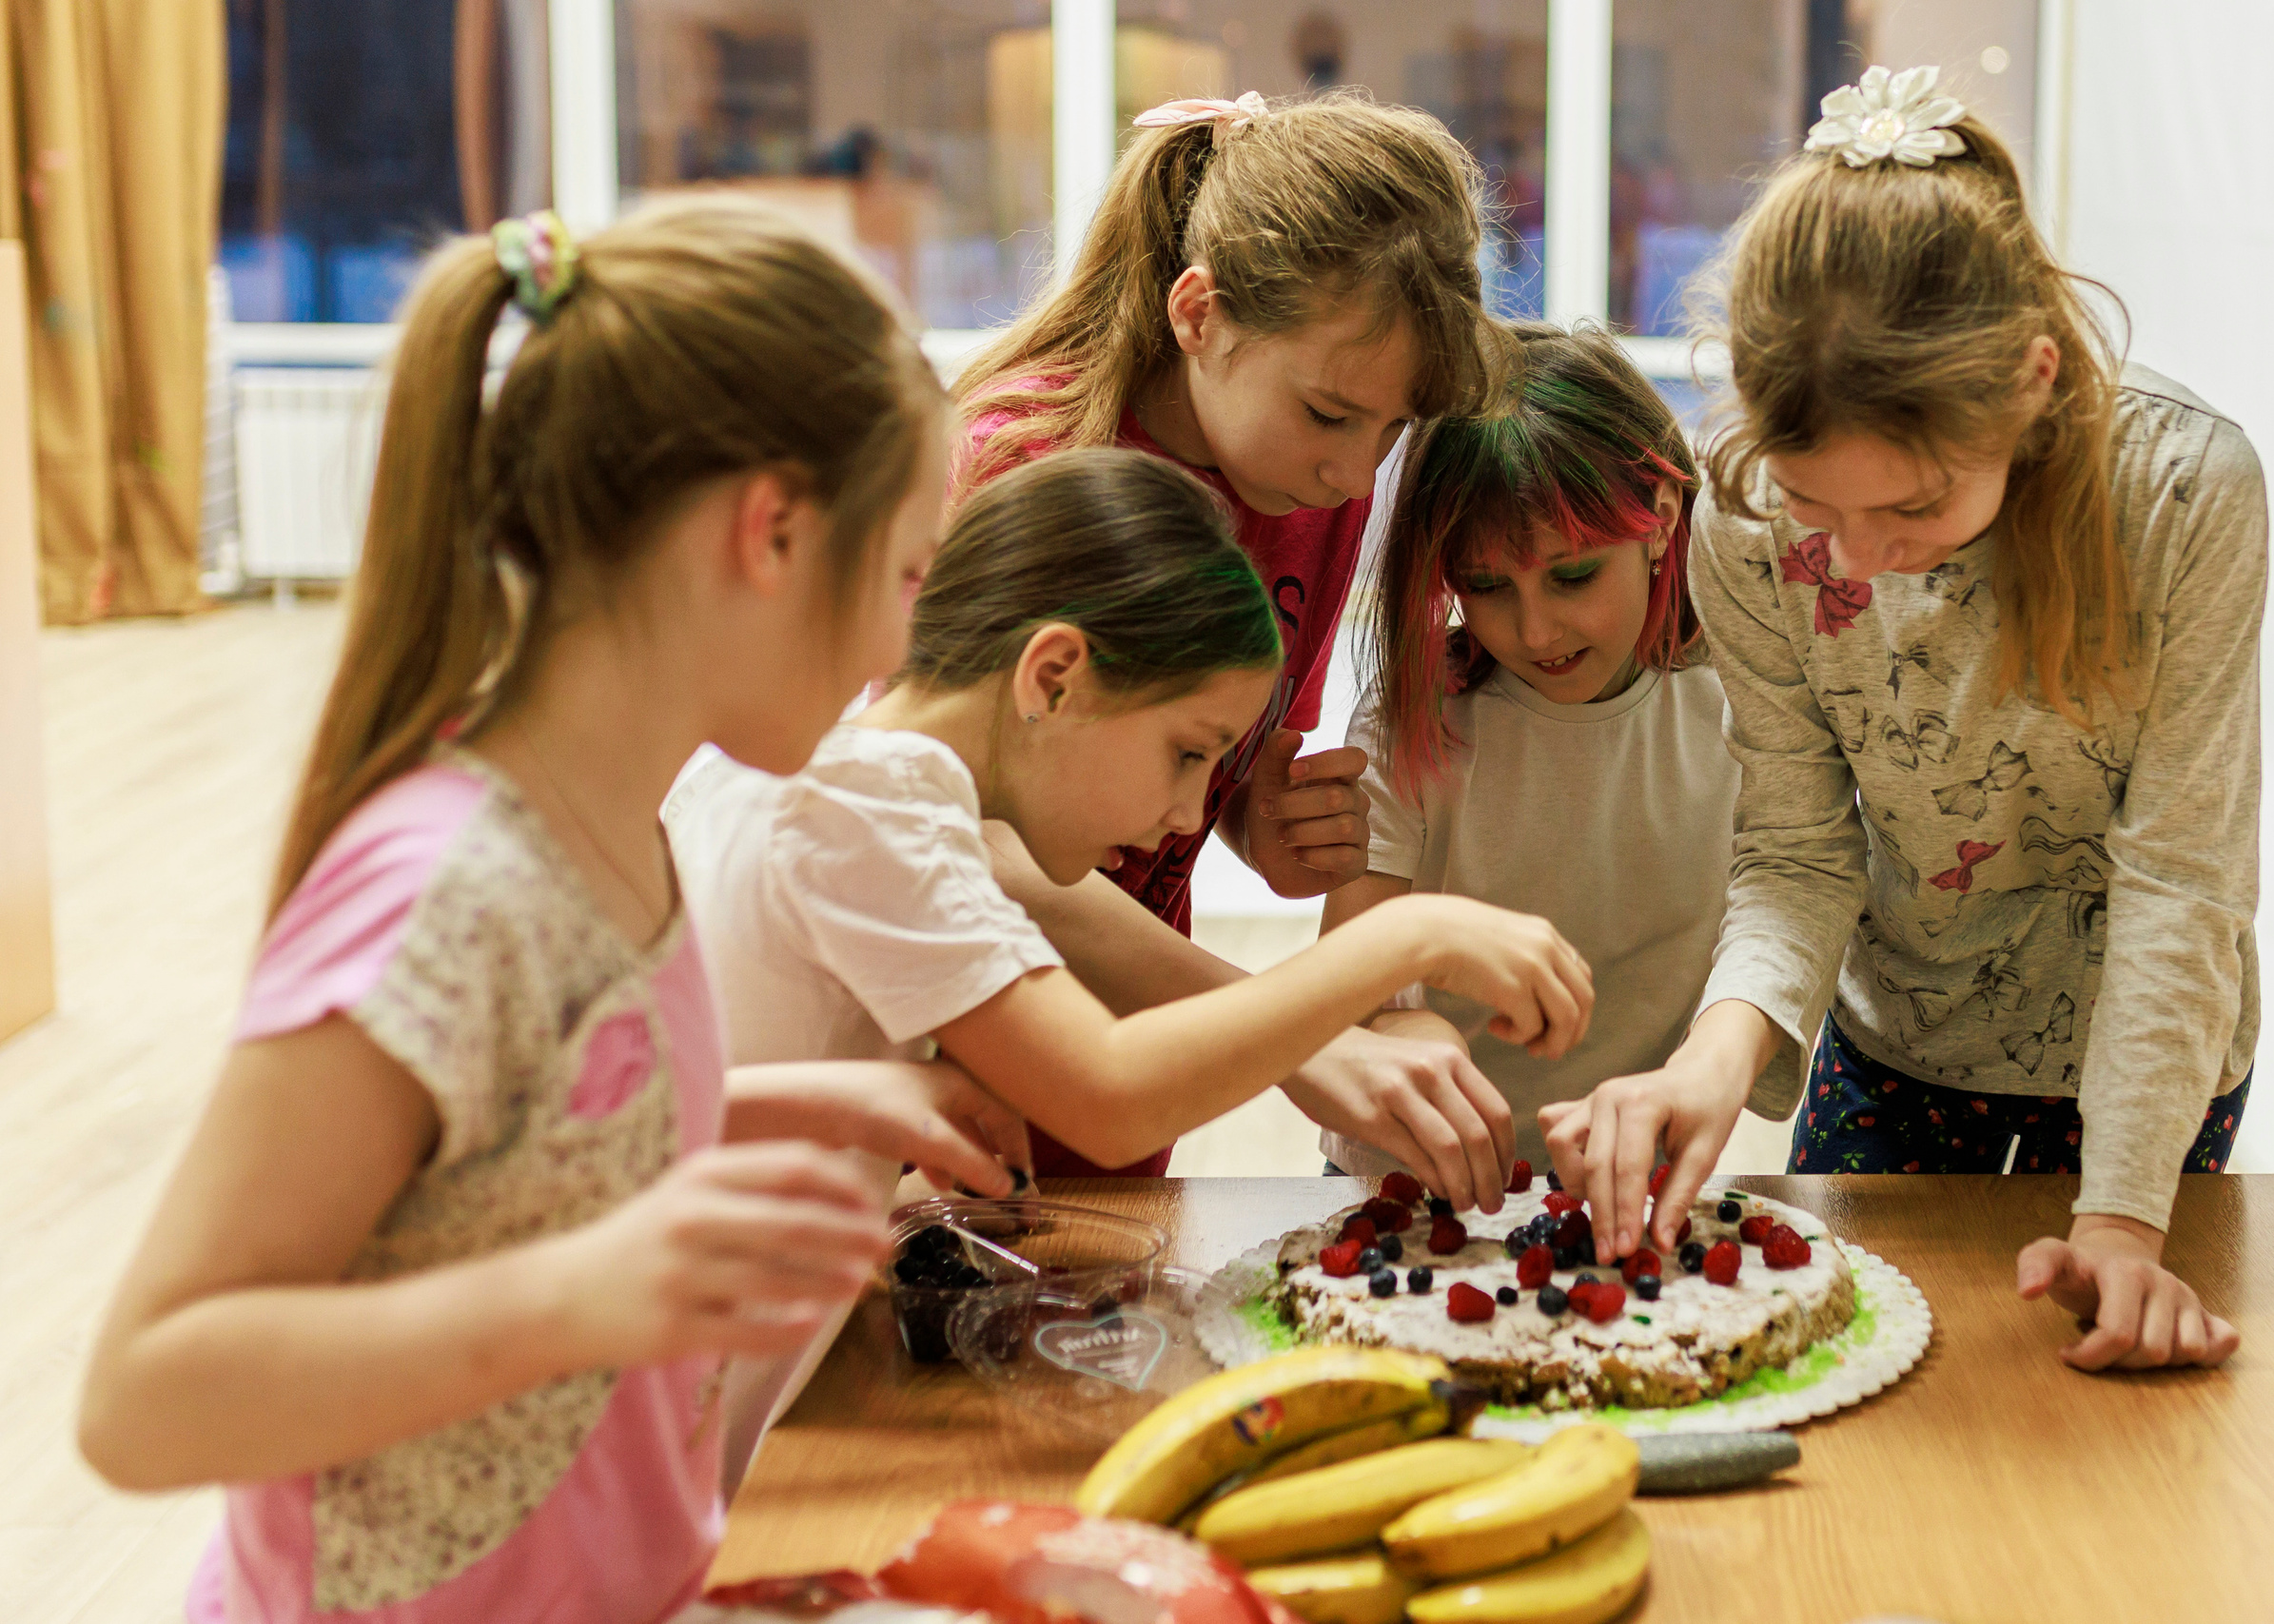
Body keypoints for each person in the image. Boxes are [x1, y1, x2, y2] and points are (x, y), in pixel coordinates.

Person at [77, 200, 1025, 1624]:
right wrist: (580, 1297)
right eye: (907, 574)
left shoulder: (626, 822)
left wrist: (812, 1099)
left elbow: (528, 1140)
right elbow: (143, 1397)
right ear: (771, 529)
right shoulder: (447, 897)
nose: (903, 639)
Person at [1544, 68, 2264, 1374]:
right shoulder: (1743, 517)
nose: (1858, 560)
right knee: (1865, 1382)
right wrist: (1714, 1054)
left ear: (2033, 381)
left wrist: (2120, 1219)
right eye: (1816, 505)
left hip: (2148, 1075)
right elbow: (1797, 848)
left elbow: (2182, 876)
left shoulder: (2182, 492)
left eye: (1914, 508)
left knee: (2097, 1417)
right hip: (1898, 1041)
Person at [666, 447, 1595, 1177]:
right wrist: (1408, 938)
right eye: (1187, 752)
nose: (1189, 814)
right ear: (1053, 677)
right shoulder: (876, 812)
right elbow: (1111, 1099)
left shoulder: (833, 781)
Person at [951, 88, 1526, 1197]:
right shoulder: (1029, 465)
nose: (1354, 475)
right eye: (1329, 415)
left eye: (1392, 429)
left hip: (1139, 1067)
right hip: (968, 1055)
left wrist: (1256, 822)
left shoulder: (1311, 485)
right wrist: (1299, 1036)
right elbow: (970, 846)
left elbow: (1210, 766)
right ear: (1198, 313)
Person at [1317, 322, 1735, 1178]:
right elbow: (1336, 992)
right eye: (1486, 586)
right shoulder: (1414, 713)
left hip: (1623, 1166)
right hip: (1414, 1170)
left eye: (1573, 575)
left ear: (1661, 520)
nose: (1536, 631)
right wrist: (1398, 1024)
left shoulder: (1737, 701)